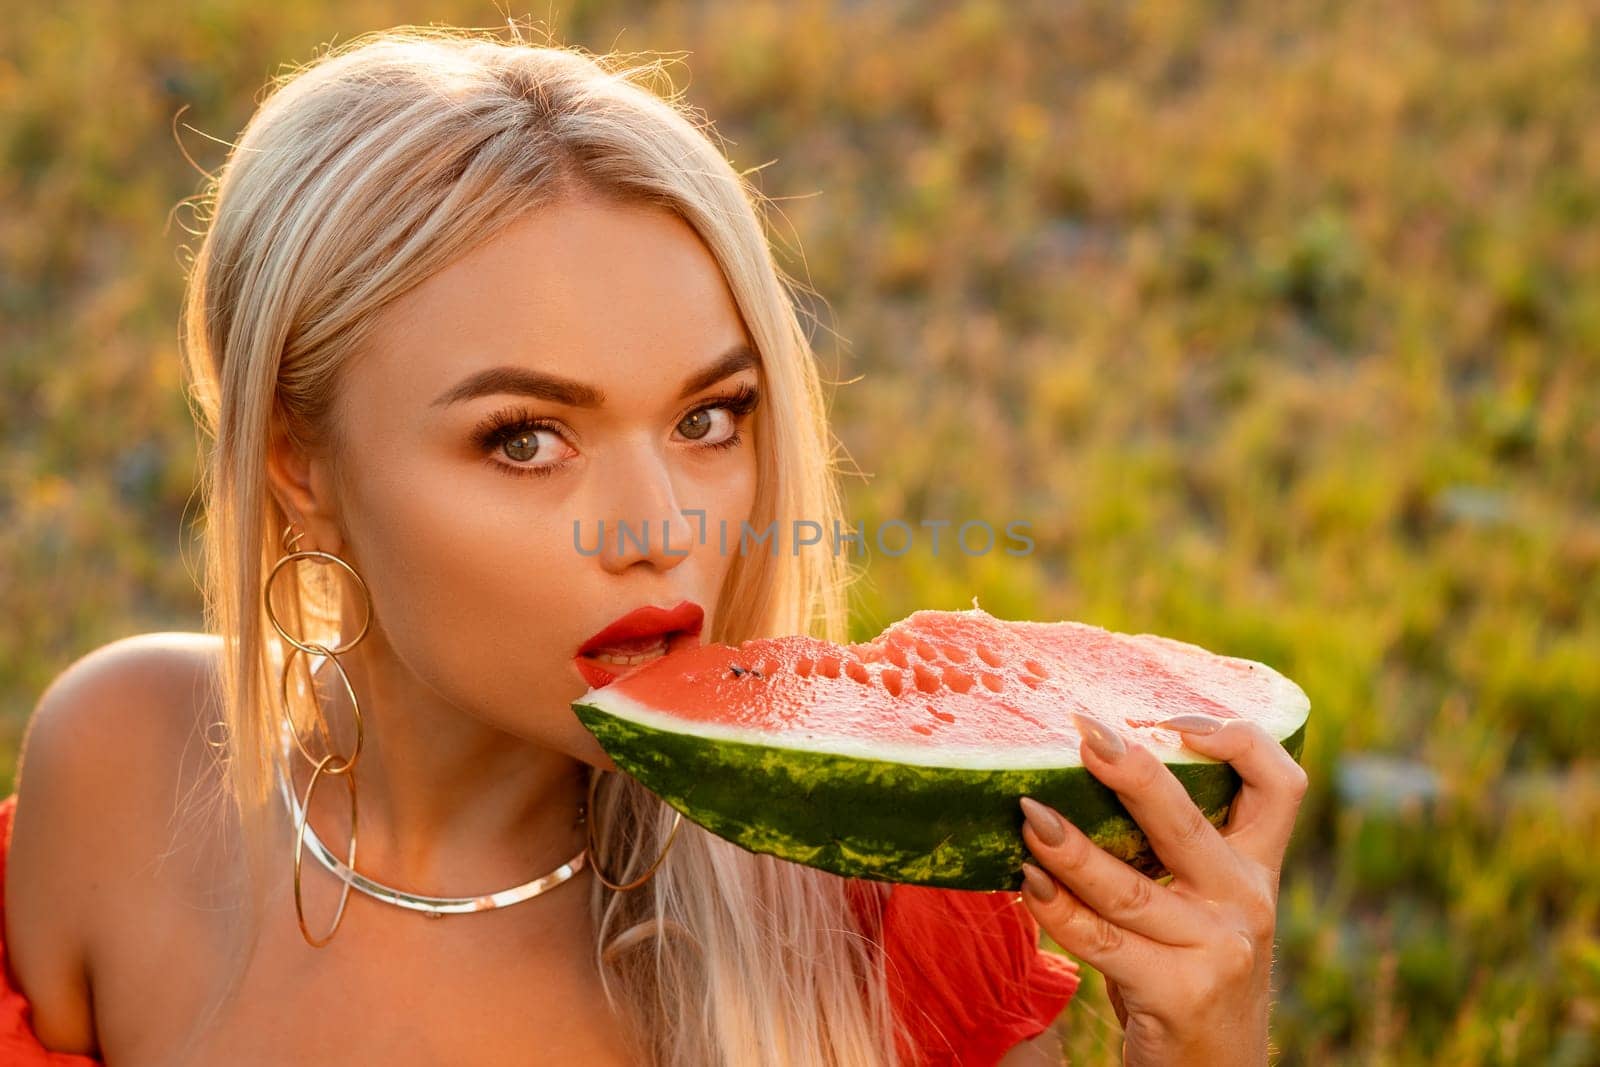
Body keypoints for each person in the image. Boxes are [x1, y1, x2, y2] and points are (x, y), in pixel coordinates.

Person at [1, 26, 1306, 1067]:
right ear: (300, 464)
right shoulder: (115, 768)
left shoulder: (869, 917)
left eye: (708, 415)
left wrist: (1201, 1047)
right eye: (525, 438)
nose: (665, 531)